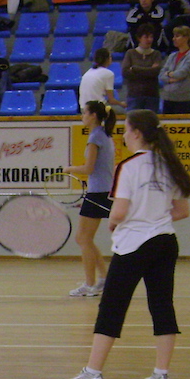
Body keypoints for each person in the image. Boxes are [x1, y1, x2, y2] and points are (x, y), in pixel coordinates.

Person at [59, 109, 190, 379]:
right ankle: (161, 375)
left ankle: (92, 374)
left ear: (137, 133)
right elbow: (182, 211)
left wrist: (115, 222)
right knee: (162, 306)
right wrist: (153, 215)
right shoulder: (170, 164)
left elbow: (119, 212)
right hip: (165, 242)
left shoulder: (128, 166)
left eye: (126, 130)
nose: (124, 136)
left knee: (111, 308)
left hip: (134, 245)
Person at [65, 100, 116, 297]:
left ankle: (89, 284)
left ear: (93, 115)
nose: (82, 116)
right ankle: (103, 279)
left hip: (98, 192)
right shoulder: (104, 134)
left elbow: (88, 168)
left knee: (83, 238)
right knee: (85, 238)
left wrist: (69, 169)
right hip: (103, 190)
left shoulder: (95, 137)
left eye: (84, 113)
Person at [122, 24, 162, 113]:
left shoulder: (156, 54)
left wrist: (135, 69)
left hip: (152, 96)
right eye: (146, 37)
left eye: (151, 37)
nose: (149, 39)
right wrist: (149, 70)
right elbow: (125, 73)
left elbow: (155, 72)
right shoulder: (130, 53)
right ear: (139, 38)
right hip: (134, 95)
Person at [159, 26, 190, 115]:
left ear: (186, 38)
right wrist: (171, 78)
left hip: (183, 100)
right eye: (174, 36)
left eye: (177, 36)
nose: (174, 39)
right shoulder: (172, 56)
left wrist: (168, 74)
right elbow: (161, 74)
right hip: (167, 98)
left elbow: (181, 73)